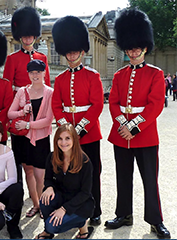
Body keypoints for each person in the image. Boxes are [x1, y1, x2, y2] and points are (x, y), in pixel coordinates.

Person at [105, 9, 170, 238]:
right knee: (123, 178)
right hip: (121, 135)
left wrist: (134, 127)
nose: (133, 51)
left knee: (149, 180)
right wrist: (123, 124)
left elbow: (155, 106)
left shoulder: (155, 73)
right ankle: (124, 214)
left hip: (144, 135)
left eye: (137, 47)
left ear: (144, 47)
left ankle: (155, 220)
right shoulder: (119, 75)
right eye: (129, 48)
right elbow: (113, 103)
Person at [51, 16, 104, 225]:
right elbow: (57, 105)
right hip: (67, 136)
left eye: (75, 51)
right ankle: (73, 208)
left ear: (82, 51)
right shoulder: (61, 79)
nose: (72, 55)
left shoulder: (93, 76)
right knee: (69, 174)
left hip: (89, 134)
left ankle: (95, 209)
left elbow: (97, 105)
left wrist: (79, 129)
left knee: (92, 173)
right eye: (69, 52)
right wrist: (66, 129)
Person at [3, 6, 51, 185]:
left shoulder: (42, 58)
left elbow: (47, 87)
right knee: (21, 156)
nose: (27, 38)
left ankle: (38, 193)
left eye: (30, 35)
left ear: (35, 36)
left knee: (38, 156)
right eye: (24, 36)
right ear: (20, 36)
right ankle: (19, 189)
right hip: (20, 109)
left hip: (38, 109)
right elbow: (8, 88)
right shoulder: (12, 59)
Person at [8, 59, 54, 219]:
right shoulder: (22, 91)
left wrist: (27, 125)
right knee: (28, 172)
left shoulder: (50, 92)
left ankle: (43, 205)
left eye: (38, 72)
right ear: (28, 74)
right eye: (32, 72)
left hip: (40, 139)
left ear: (44, 73)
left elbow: (48, 120)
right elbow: (10, 113)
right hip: (23, 139)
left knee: (40, 175)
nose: (35, 75)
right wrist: (22, 112)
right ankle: (36, 204)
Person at [34, 123, 94, 239]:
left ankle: (82, 224)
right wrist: (49, 187)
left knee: (53, 226)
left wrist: (63, 209)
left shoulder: (85, 162)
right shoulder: (52, 157)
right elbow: (48, 179)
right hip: (61, 197)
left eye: (67, 138)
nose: (63, 142)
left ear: (74, 140)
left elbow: (85, 192)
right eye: (60, 139)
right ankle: (47, 232)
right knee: (44, 199)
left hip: (80, 204)